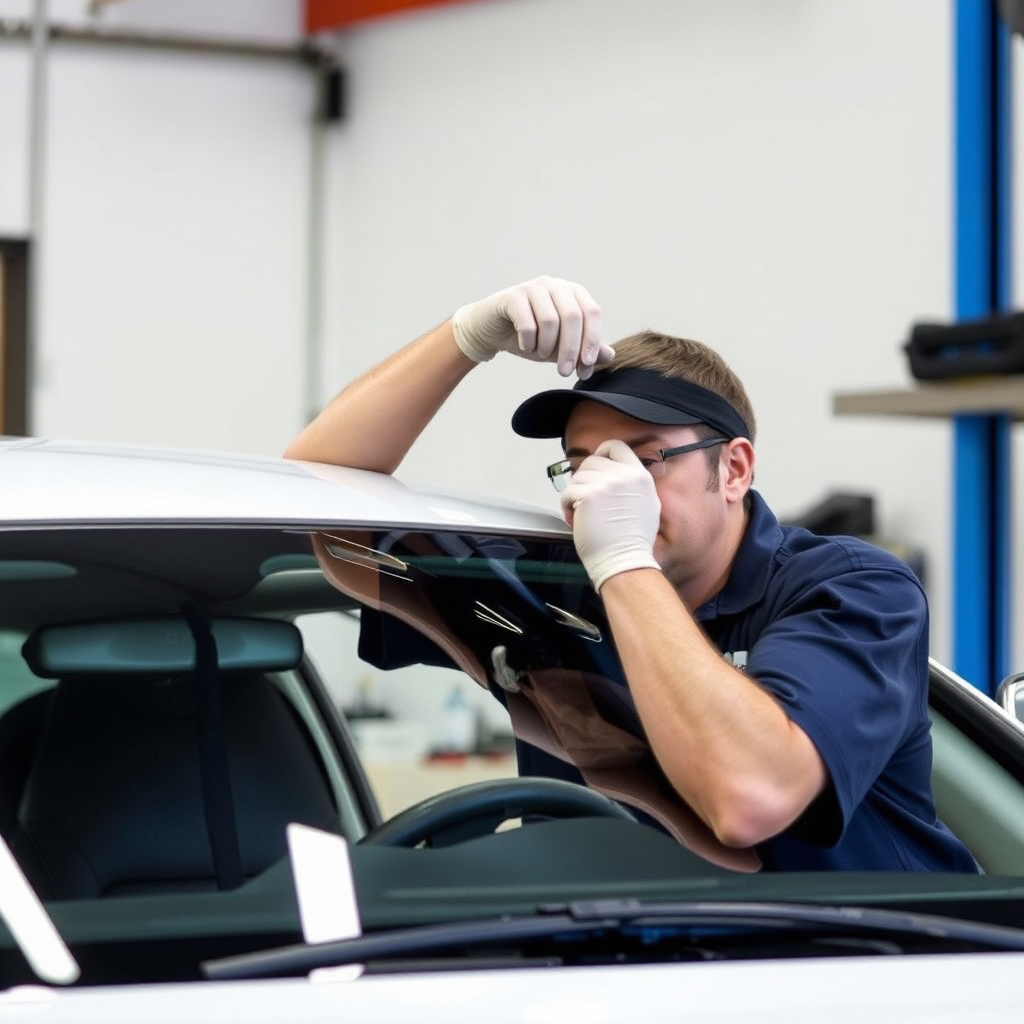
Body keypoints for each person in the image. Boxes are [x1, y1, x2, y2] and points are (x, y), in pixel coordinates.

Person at [285, 275, 978, 872]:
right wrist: (468, 335)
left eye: (642, 459)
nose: (603, 487)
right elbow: (321, 505)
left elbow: (750, 800)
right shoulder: (550, 584)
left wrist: (624, 564)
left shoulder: (850, 587)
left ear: (733, 469)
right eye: (583, 461)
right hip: (603, 974)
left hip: (860, 972)